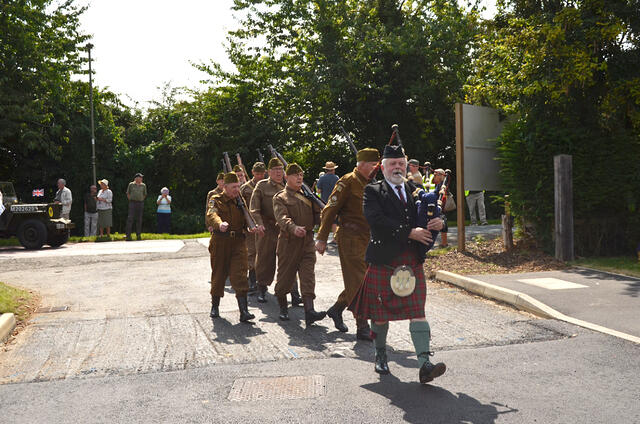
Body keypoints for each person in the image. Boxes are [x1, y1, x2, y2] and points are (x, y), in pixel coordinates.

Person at [349, 144, 447, 384]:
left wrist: (440, 223)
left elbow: (434, 211)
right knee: (381, 315)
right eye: (392, 164)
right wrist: (409, 233)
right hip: (385, 260)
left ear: (406, 166)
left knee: (418, 312)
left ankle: (424, 364)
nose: (397, 167)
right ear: (382, 168)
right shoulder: (373, 191)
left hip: (411, 260)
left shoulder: (415, 189)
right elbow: (376, 220)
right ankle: (380, 354)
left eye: (401, 163)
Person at [315, 147, 380, 340]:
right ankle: (362, 326)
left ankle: (337, 309)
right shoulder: (347, 182)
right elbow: (330, 210)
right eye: (373, 165)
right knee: (359, 281)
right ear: (362, 165)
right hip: (350, 237)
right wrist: (321, 237)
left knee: (364, 279)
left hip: (368, 238)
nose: (376, 168)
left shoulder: (372, 183)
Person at [273, 163, 326, 326]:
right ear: (286, 177)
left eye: (301, 175)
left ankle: (309, 311)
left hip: (307, 242)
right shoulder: (280, 197)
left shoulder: (309, 196)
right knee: (284, 280)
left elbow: (319, 216)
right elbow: (281, 218)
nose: (299, 178)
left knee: (308, 276)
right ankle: (283, 308)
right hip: (289, 243)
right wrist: (293, 228)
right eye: (295, 175)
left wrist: (327, 219)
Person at [206, 172, 256, 323]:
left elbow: (248, 217)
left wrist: (254, 227)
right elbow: (212, 214)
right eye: (234, 187)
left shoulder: (239, 200)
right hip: (220, 241)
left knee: (240, 274)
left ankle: (244, 311)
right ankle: (215, 306)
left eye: (238, 186)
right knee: (219, 274)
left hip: (238, 242)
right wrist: (219, 224)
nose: (237, 189)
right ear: (225, 187)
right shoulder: (216, 199)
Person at [249, 158, 286, 303]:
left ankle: (293, 293)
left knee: (288, 260)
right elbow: (254, 208)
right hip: (267, 227)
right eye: (275, 170)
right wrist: (259, 224)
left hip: (284, 228)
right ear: (269, 172)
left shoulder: (288, 186)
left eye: (281, 169)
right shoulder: (262, 186)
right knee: (265, 259)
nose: (278, 172)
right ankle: (262, 289)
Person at [240, 162, 266, 294]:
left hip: (265, 225)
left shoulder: (267, 186)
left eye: (262, 173)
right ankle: (252, 281)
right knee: (252, 253)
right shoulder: (245, 188)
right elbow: (241, 208)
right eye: (257, 173)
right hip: (250, 225)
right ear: (252, 172)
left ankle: (263, 282)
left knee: (265, 253)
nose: (259, 176)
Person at [126, 172, 147, 241]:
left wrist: (140, 199)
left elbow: (144, 194)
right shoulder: (131, 184)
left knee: (139, 219)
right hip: (132, 202)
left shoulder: (143, 185)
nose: (141, 179)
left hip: (140, 203)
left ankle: (138, 235)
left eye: (141, 178)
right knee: (130, 218)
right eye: (140, 177)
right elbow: (128, 193)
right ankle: (128, 235)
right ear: (136, 178)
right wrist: (131, 199)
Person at [432, 169, 450, 247]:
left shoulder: (442, 184)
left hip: (440, 206)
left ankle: (444, 243)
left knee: (443, 222)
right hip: (438, 205)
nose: (434, 176)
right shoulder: (438, 184)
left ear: (440, 175)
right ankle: (444, 243)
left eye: (435, 175)